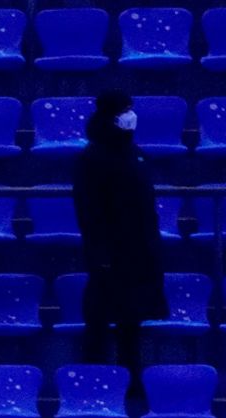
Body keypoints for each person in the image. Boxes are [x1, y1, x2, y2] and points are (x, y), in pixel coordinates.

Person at [73, 89, 168, 376]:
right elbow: (88, 210)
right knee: (99, 320)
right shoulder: (92, 156)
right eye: (125, 109)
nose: (131, 115)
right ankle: (92, 384)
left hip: (138, 251)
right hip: (109, 253)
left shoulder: (135, 154)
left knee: (132, 321)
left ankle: (132, 387)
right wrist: (100, 252)